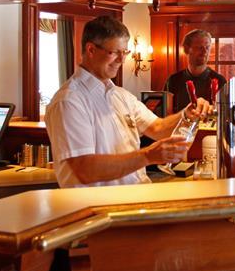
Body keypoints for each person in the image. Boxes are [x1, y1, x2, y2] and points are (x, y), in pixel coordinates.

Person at [45, 16, 211, 188]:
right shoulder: (69, 101)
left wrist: (187, 114)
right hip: (100, 203)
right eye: (115, 52)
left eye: (125, 52)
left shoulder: (121, 96)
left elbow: (158, 128)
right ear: (91, 49)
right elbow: (85, 170)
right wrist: (148, 156)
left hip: (135, 197)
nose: (122, 60)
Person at [163, 29, 227, 111]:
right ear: (187, 49)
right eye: (200, 47)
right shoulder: (173, 81)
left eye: (207, 47)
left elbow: (225, 113)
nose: (205, 51)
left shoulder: (220, 81)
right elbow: (164, 113)